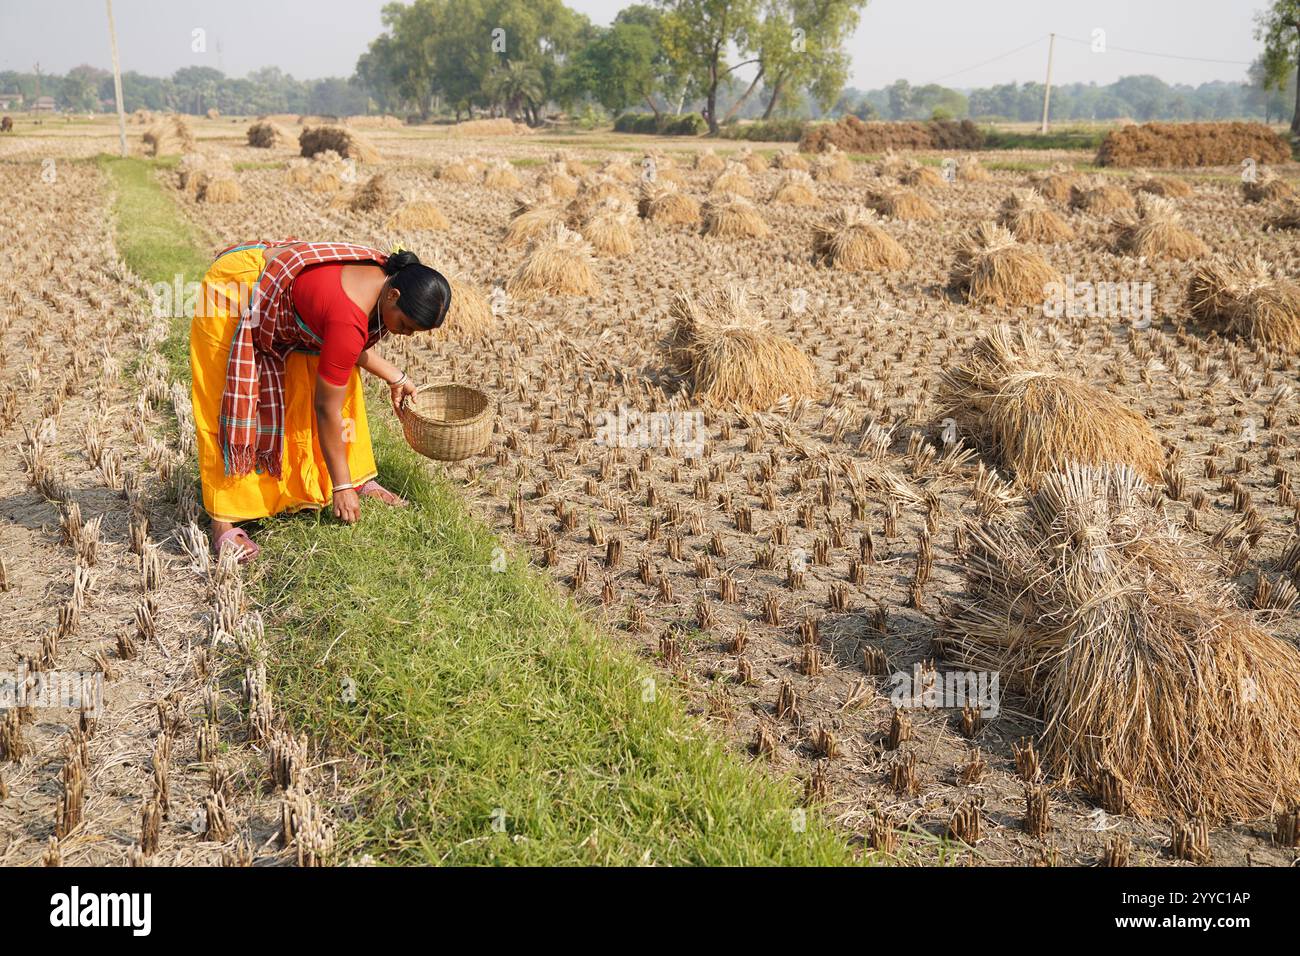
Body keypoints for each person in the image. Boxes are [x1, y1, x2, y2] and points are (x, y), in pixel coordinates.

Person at [190, 240, 451, 560]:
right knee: (232, 402)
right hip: (236, 291)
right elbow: (326, 407)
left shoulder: (388, 280)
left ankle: (356, 479)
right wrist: (339, 488)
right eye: (406, 326)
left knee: (338, 381)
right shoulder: (348, 318)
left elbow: (346, 347)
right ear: (393, 295)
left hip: (292, 299)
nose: (405, 335)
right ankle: (223, 521)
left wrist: (396, 376)